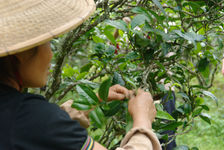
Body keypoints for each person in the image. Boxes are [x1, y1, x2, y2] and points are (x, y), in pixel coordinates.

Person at [0, 0, 161, 150]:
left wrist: (91, 101)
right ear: (20, 54)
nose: (51, 54)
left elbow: (38, 128)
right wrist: (143, 122)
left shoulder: (20, 117)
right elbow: (41, 124)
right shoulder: (31, 117)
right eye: (47, 43)